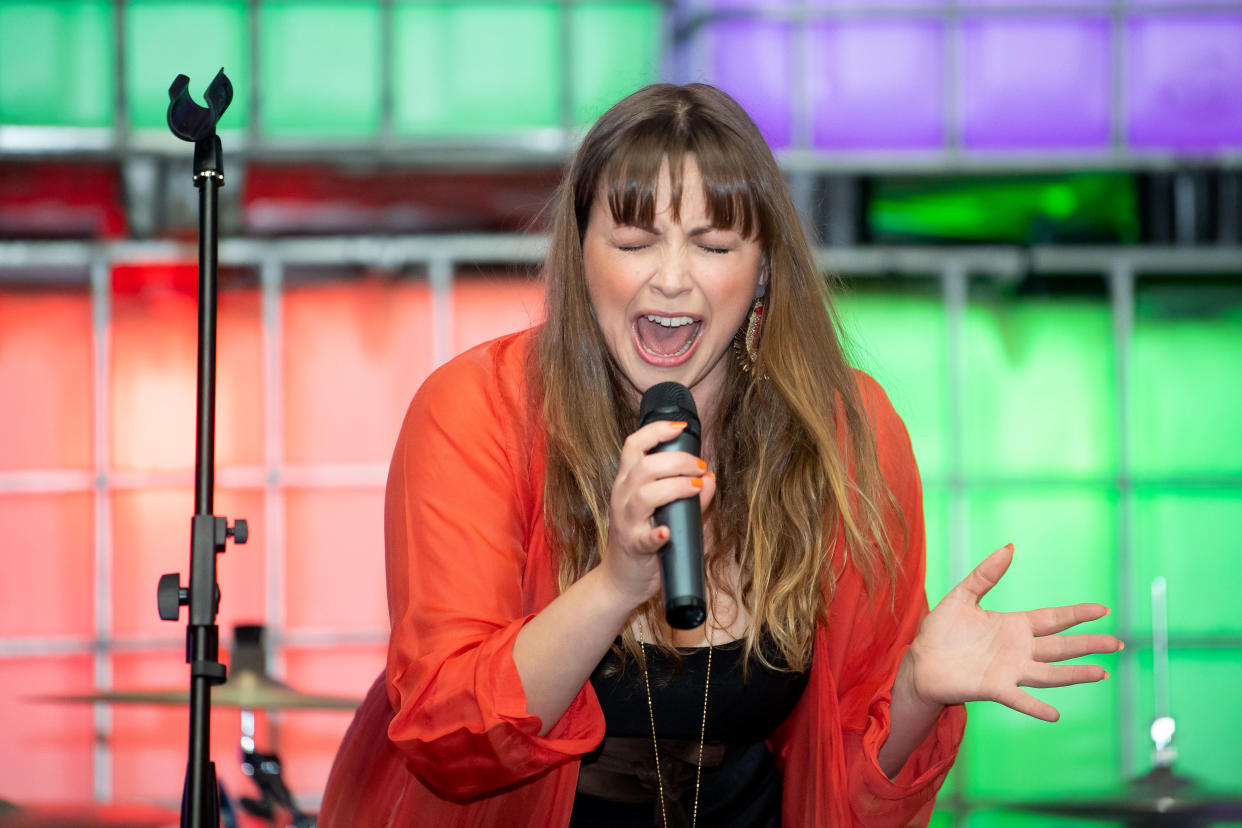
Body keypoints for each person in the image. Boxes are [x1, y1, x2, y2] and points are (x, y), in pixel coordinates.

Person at [318, 84, 1122, 828]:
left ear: (763, 268)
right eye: (633, 241)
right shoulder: (477, 410)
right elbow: (448, 732)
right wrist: (616, 584)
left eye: (712, 244)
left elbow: (845, 784)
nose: (671, 279)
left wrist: (913, 689)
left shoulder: (849, 434)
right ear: (579, 255)